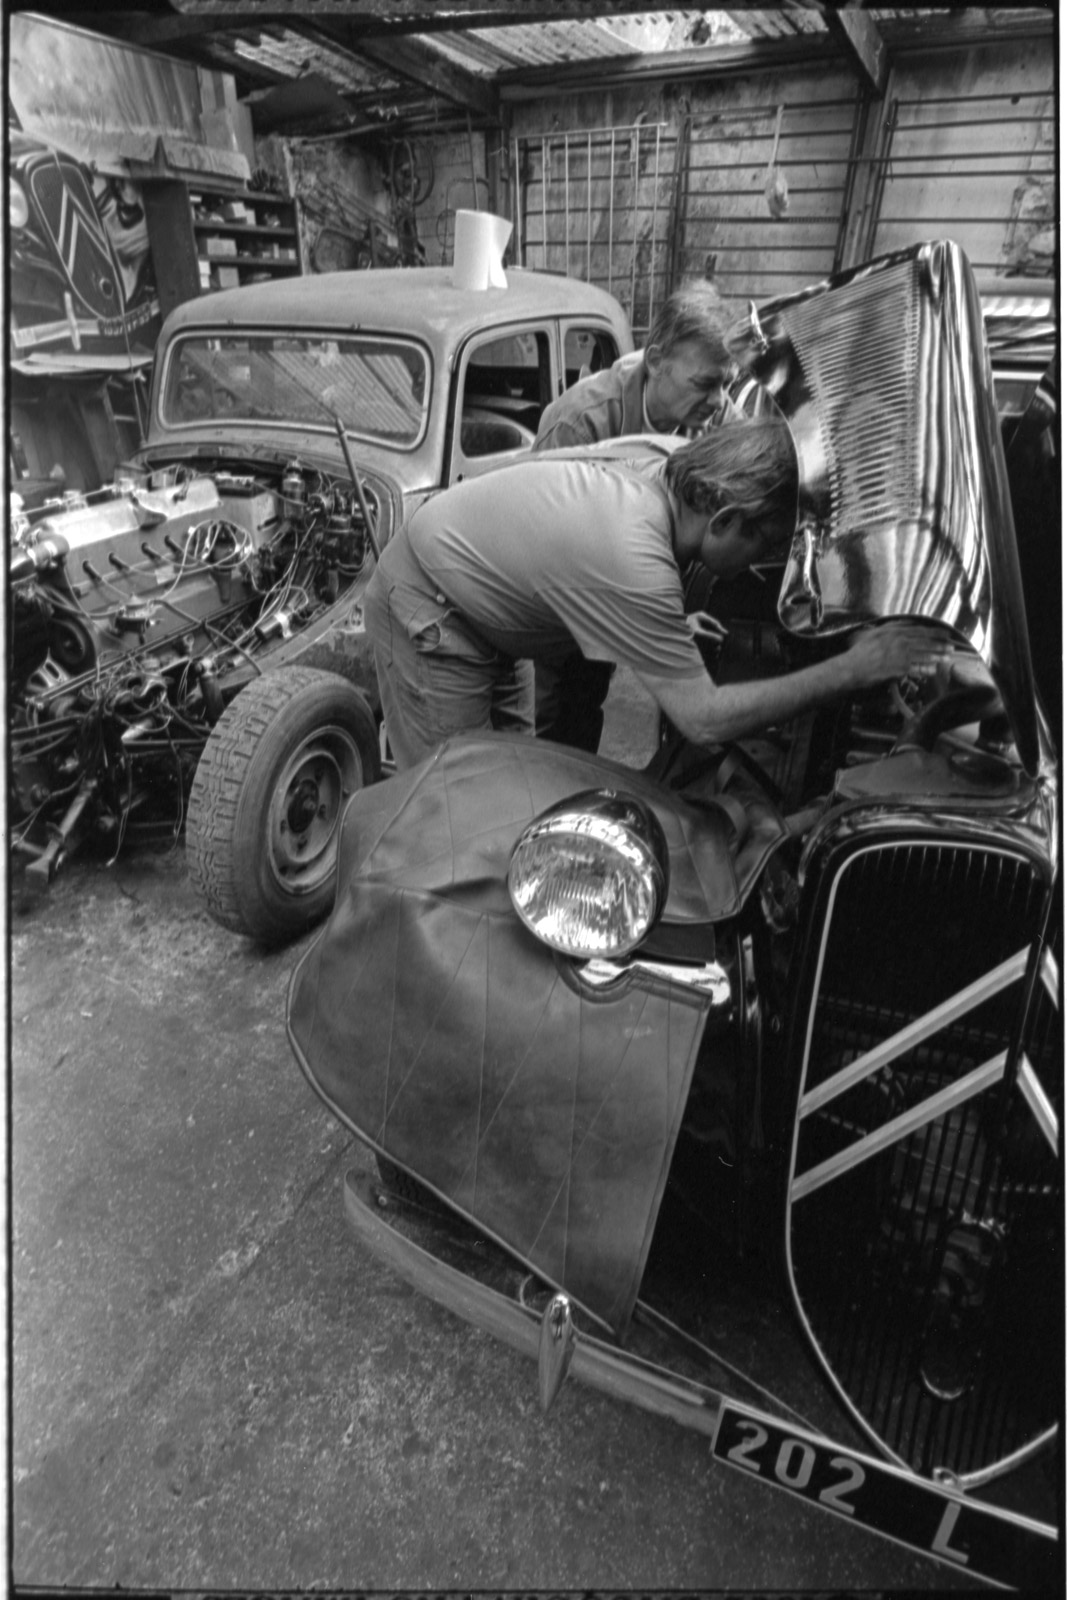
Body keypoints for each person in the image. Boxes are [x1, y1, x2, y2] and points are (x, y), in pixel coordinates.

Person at [364, 418, 948, 773]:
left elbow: (594, 571)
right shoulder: (634, 554)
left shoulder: (671, 460)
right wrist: (852, 669)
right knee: (450, 803)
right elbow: (705, 721)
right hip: (431, 609)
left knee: (509, 776)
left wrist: (661, 628)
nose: (763, 566)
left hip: (479, 598)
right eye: (765, 546)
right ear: (723, 520)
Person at [532, 282, 741, 750]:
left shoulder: (718, 416)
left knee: (600, 704)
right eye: (705, 383)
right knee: (564, 711)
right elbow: (560, 556)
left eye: (726, 383)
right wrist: (653, 625)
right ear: (656, 362)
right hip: (572, 595)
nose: (717, 400)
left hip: (653, 586)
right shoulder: (578, 424)